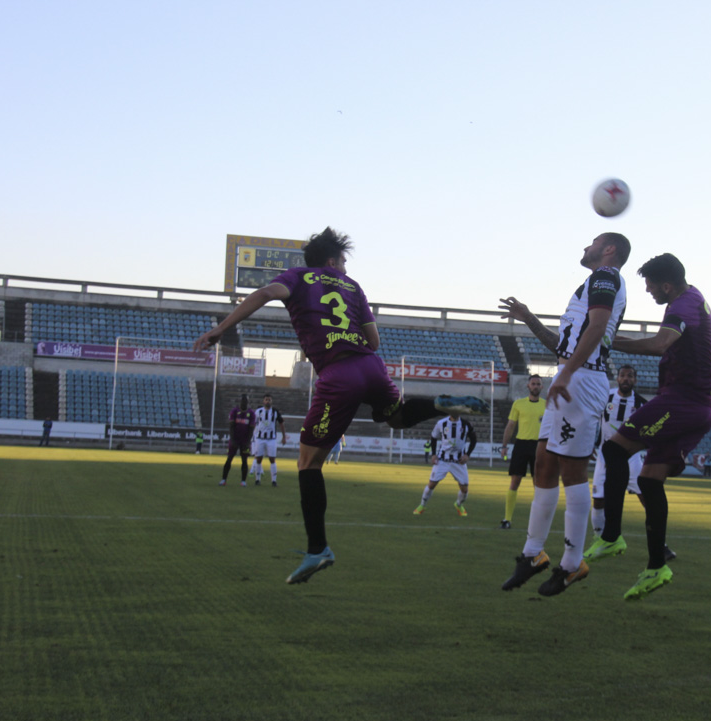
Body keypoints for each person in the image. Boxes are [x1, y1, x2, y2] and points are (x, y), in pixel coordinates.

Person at [193, 226, 489, 585]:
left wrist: (221, 328)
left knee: (307, 463)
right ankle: (441, 404)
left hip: (338, 375)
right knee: (396, 417)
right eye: (344, 261)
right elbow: (374, 340)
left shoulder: (299, 277)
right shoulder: (353, 287)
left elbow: (267, 292)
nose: (345, 269)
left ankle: (318, 549)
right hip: (371, 367)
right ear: (333, 260)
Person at [498, 232, 630, 597]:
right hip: (572, 372)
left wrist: (567, 374)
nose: (584, 247)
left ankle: (572, 564)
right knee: (543, 463)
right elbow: (564, 344)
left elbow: (600, 328)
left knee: (571, 471)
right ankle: (532, 553)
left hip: (582, 379)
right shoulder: (594, 282)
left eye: (592, 242)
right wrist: (527, 318)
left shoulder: (606, 276)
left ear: (609, 249)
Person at [583, 253, 711, 600]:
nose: (647, 290)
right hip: (695, 404)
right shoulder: (692, 300)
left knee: (613, 449)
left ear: (667, 285)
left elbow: (659, 345)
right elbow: (666, 348)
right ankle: (657, 566)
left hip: (683, 401)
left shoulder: (682, 306)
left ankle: (611, 536)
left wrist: (607, 340)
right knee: (647, 480)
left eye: (651, 285)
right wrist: (613, 341)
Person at [588, 365, 676, 562]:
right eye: (622, 375)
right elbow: (592, 419)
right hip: (604, 457)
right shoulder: (605, 397)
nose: (625, 379)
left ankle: (661, 545)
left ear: (635, 381)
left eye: (630, 376)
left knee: (647, 499)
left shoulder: (642, 404)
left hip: (632, 458)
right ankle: (600, 539)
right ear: (617, 379)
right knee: (599, 500)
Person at [498, 374, 545, 529]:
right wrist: (504, 446)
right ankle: (507, 519)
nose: (535, 386)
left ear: (542, 387)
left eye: (538, 384)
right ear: (528, 386)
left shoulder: (547, 405)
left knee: (537, 484)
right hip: (521, 445)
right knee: (515, 481)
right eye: (533, 383)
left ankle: (537, 520)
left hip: (539, 446)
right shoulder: (518, 404)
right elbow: (510, 425)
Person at [413, 412, 476, 516]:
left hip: (458, 461)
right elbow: (433, 437)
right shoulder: (441, 423)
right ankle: (422, 505)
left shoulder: (466, 424)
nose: (455, 412)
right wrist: (433, 454)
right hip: (443, 460)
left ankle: (458, 504)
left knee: (465, 490)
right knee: (432, 484)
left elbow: (474, 440)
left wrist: (467, 455)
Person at [250, 393, 287, 487]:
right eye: (266, 399)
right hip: (260, 439)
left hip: (271, 439)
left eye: (269, 400)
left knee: (272, 459)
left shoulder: (275, 412)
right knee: (259, 459)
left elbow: (281, 423)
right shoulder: (258, 411)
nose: (268, 401)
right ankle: (257, 479)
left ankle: (274, 481)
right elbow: (253, 424)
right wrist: (251, 435)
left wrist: (284, 436)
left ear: (271, 401)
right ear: (263, 401)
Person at [219, 394, 254, 487]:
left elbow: (251, 429)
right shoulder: (234, 411)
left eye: (246, 401)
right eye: (243, 401)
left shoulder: (251, 413)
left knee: (244, 460)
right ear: (240, 402)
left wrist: (247, 442)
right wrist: (233, 440)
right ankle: (223, 480)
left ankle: (243, 481)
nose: (244, 403)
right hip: (235, 439)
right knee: (229, 458)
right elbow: (231, 426)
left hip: (245, 441)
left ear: (248, 402)